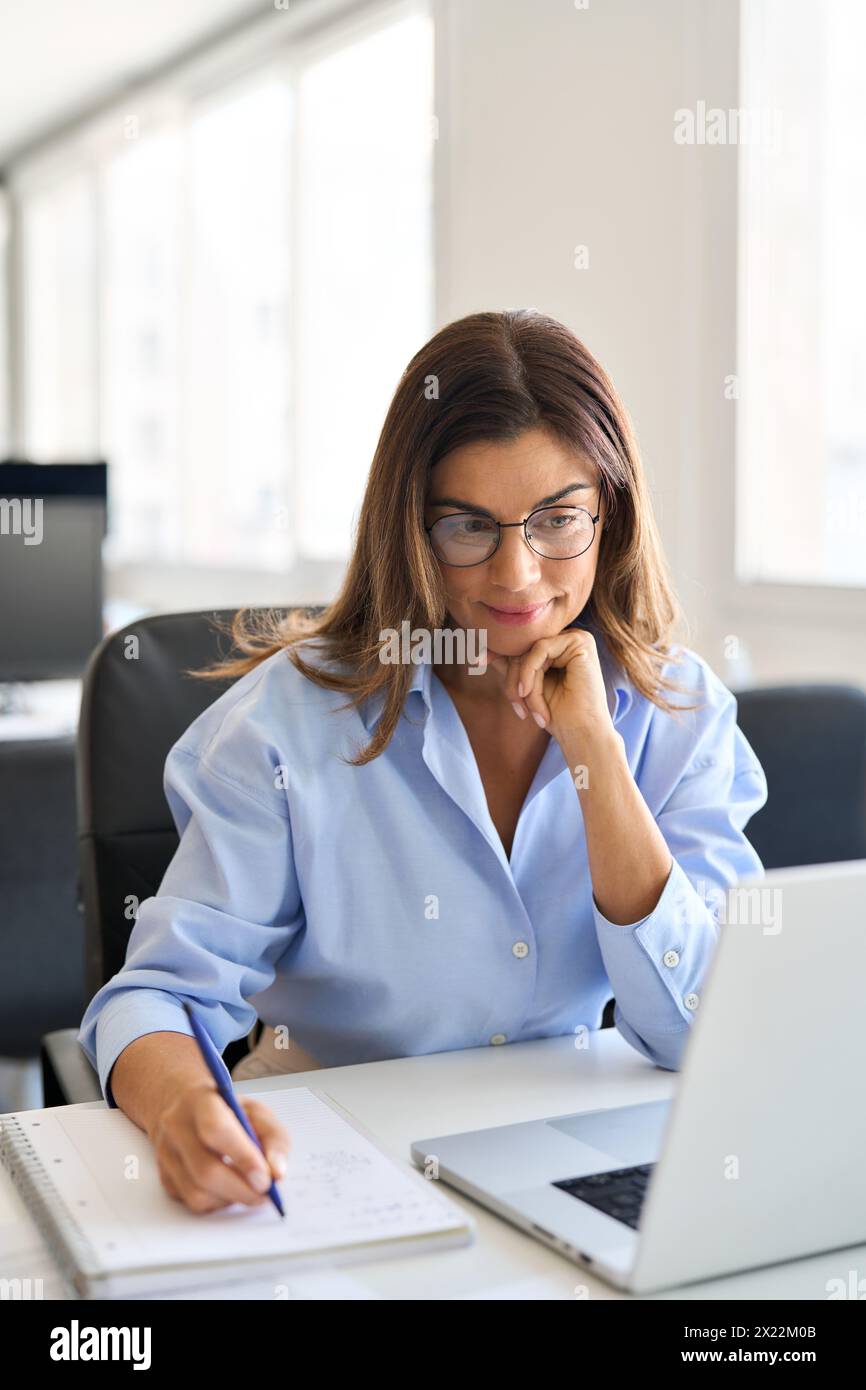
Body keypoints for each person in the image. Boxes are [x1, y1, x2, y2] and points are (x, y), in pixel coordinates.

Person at [78, 309, 768, 1215]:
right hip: (329, 1158)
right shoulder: (286, 727)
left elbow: (701, 1033)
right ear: (412, 528)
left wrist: (596, 753)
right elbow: (156, 997)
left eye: (559, 519)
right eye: (468, 527)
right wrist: (187, 1109)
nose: (518, 576)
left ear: (611, 512)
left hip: (566, 1151)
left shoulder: (675, 714)